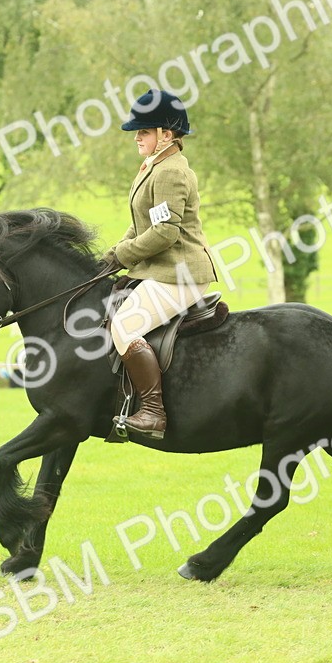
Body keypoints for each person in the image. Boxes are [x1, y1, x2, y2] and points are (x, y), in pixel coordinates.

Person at [100, 89, 218, 439]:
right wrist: (113, 254)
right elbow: (142, 227)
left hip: (180, 274)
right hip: (161, 270)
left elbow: (165, 233)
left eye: (145, 131)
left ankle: (153, 413)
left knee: (124, 326)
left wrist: (122, 256)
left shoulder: (170, 172)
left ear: (167, 134)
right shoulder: (155, 166)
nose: (137, 137)